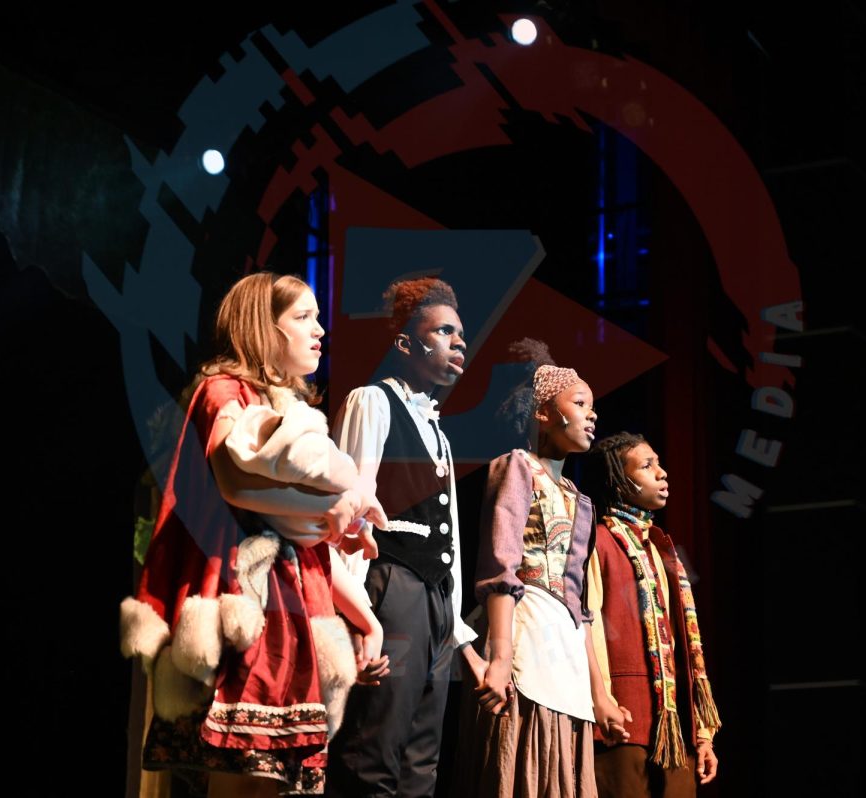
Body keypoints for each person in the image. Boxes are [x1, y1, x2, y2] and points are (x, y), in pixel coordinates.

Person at [119, 271, 387, 797]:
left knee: (280, 786)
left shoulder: (291, 417)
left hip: (292, 626)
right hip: (247, 620)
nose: (320, 331)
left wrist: (366, 618)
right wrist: (343, 500)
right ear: (264, 328)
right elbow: (237, 479)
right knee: (245, 785)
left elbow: (307, 548)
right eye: (303, 317)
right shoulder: (225, 394)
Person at [325, 277, 486, 798]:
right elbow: (350, 513)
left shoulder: (437, 429)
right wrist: (351, 620)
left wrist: (457, 632)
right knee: (377, 745)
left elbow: (452, 543)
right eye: (443, 331)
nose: (459, 341)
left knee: (423, 760)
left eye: (461, 333)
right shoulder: (372, 403)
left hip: (436, 601)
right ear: (406, 344)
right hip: (391, 588)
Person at [460, 338, 628, 798]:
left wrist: (600, 694)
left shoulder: (578, 497)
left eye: (593, 406)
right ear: (543, 414)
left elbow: (579, 606)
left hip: (566, 649)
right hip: (525, 633)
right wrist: (498, 658)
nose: (591, 414)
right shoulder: (517, 468)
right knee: (524, 763)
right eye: (579, 403)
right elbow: (500, 566)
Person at [584, 432, 722, 797]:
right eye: (647, 466)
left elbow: (682, 645)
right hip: (624, 719)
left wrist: (702, 734)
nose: (662, 473)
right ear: (618, 480)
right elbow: (589, 624)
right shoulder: (597, 542)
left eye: (658, 464)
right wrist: (604, 701)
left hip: (676, 727)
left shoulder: (662, 548)